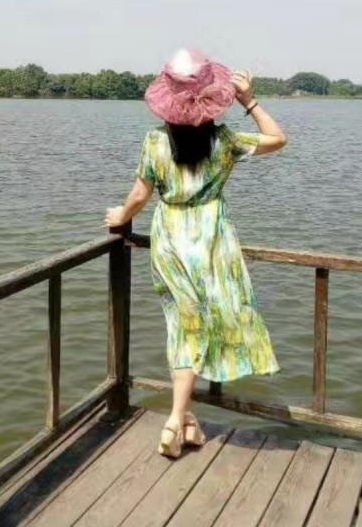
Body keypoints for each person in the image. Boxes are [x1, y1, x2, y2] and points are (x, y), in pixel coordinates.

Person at [104, 49, 287, 458]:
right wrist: (249, 101)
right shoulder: (224, 141)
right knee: (201, 326)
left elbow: (139, 195)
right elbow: (277, 139)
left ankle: (180, 418)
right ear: (212, 97)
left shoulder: (155, 141)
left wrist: (121, 216)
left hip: (171, 238)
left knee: (183, 327)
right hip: (211, 240)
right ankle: (180, 417)